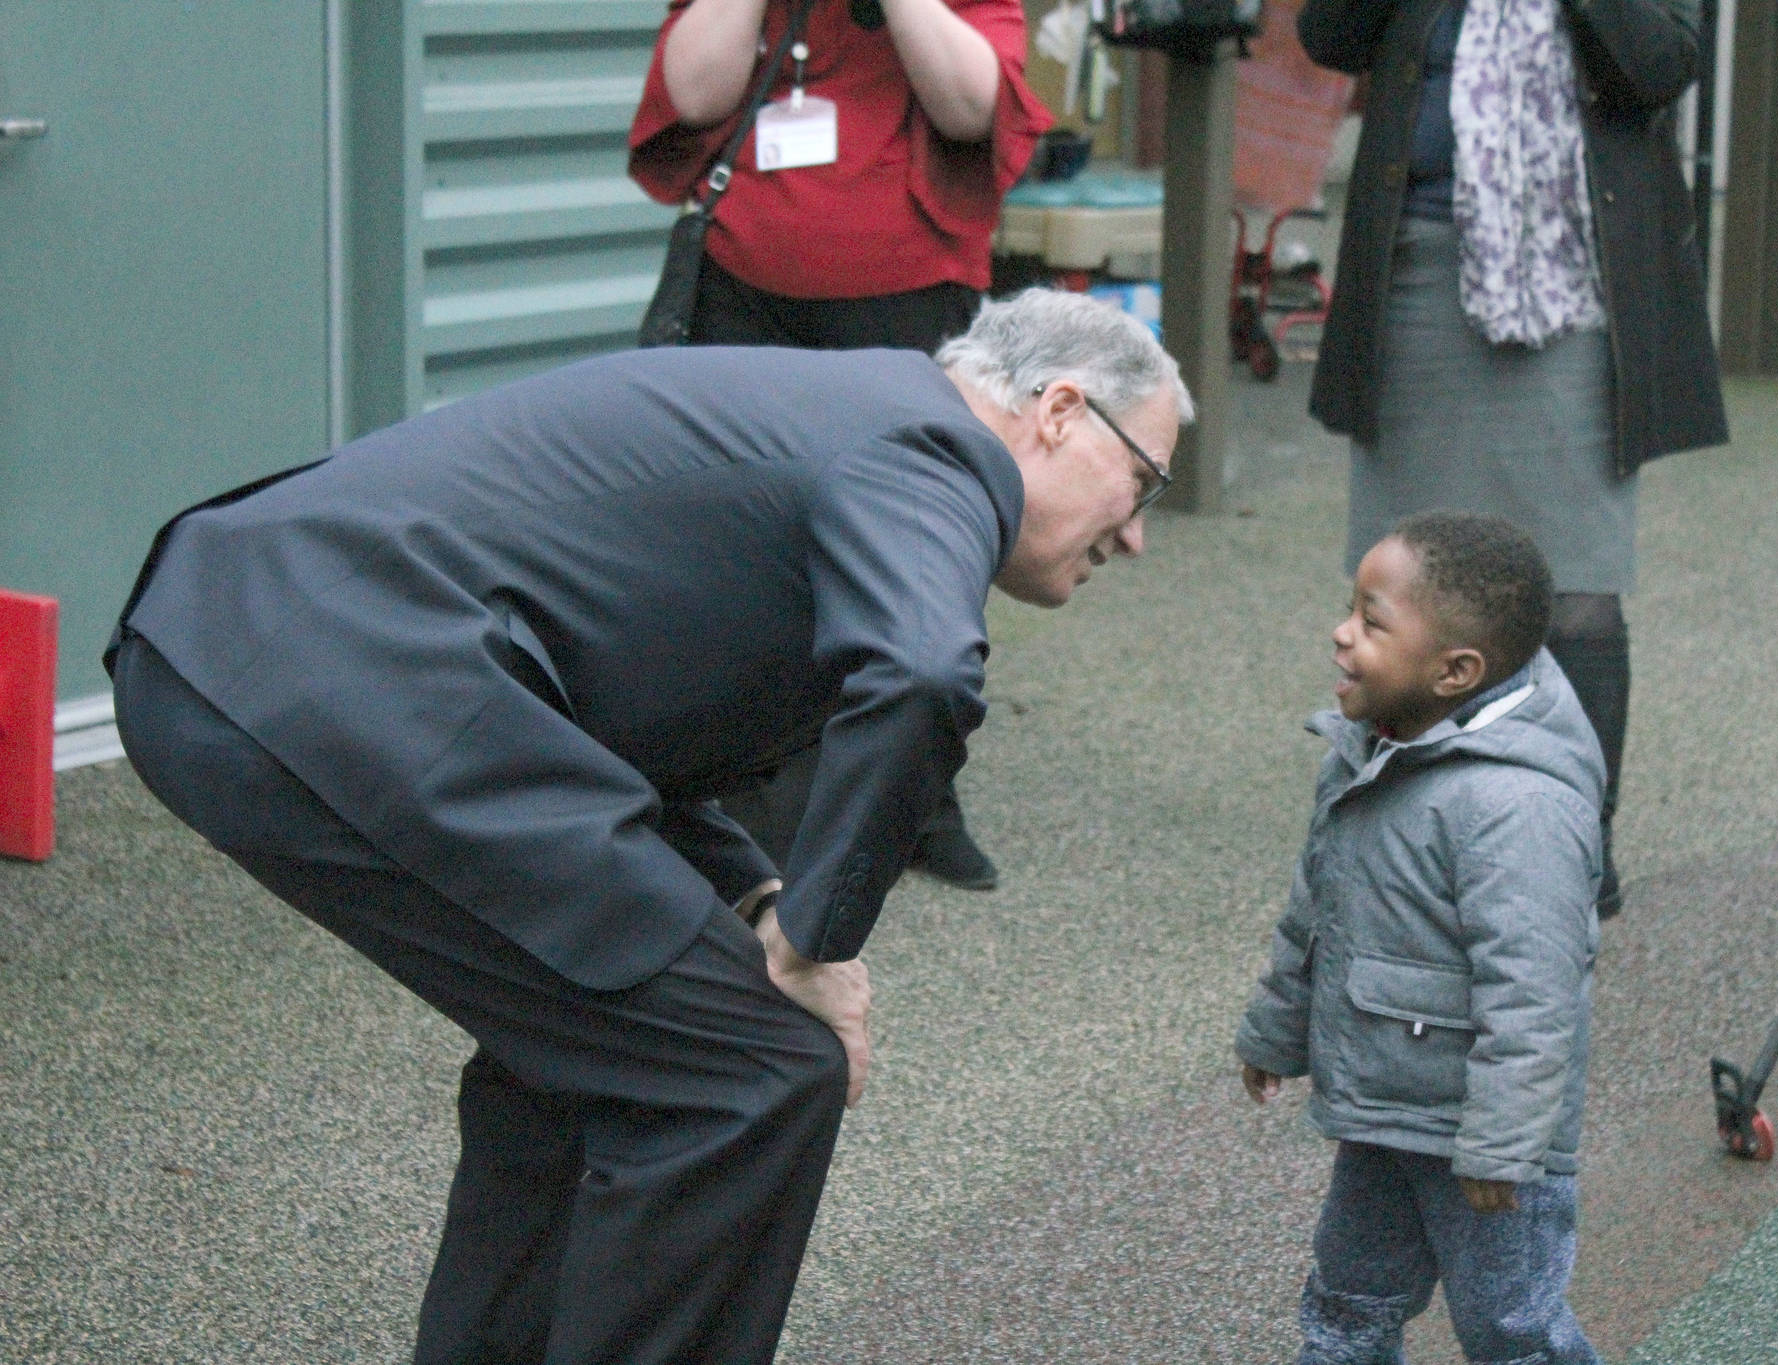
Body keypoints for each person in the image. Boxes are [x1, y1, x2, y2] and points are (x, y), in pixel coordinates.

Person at [106, 288, 1190, 1365]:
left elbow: (623, 714)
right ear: (1054, 411)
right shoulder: (935, 452)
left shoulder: (856, 414)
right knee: (751, 1075)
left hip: (269, 644)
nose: (1136, 534)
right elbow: (917, 678)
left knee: (592, 1057)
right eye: (1140, 482)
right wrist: (817, 940)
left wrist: (757, 895)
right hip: (329, 671)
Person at [1297, 0, 1728, 918]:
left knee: (1574, 583)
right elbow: (1329, 37)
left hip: (1569, 277)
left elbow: (1662, 64)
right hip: (1417, 262)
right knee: (1401, 577)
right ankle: (1394, 821)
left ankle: (1574, 836)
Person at [626, 0, 1057, 888]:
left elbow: (972, 108)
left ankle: (920, 794)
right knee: (737, 551)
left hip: (908, 285)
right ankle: (741, 801)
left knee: (924, 545)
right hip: (742, 283)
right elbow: (696, 91)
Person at [1237, 511, 1604, 1365]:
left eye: (1371, 621)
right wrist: (1275, 1026)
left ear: (1456, 671)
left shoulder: (1518, 807)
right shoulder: (1373, 746)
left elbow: (1535, 993)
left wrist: (1504, 1145)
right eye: (1349, 611)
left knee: (1511, 1329)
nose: (1340, 634)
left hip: (1488, 1151)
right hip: (1382, 1108)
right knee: (1348, 1299)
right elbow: (1317, 907)